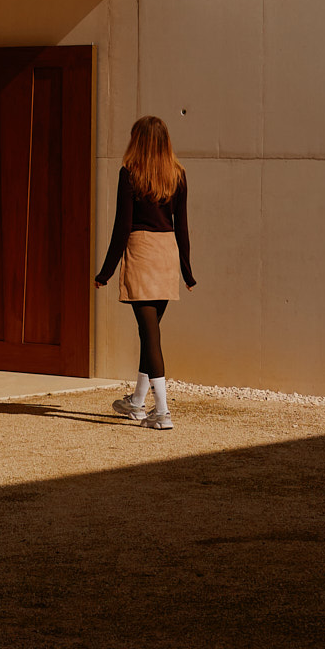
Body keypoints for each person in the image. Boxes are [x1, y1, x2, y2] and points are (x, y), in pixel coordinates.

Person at [95, 115, 194, 431]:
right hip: (166, 254)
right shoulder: (178, 175)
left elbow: (122, 226)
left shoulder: (130, 174)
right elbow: (183, 226)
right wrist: (187, 270)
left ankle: (162, 412)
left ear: (138, 140)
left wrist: (106, 271)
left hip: (141, 252)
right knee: (149, 332)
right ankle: (137, 402)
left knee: (150, 333)